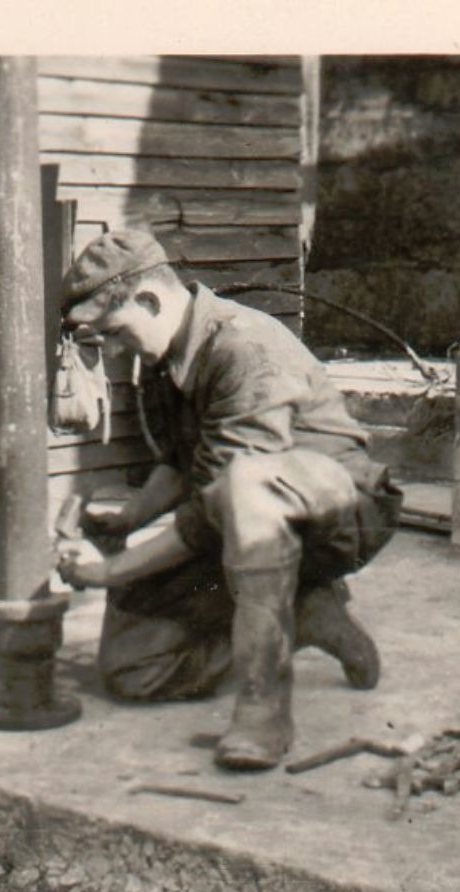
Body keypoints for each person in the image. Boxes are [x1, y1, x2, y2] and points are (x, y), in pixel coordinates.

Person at [55, 230, 402, 771]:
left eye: (114, 333)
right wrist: (125, 519)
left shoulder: (243, 347)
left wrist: (111, 572)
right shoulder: (163, 356)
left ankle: (264, 709)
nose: (115, 351)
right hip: (246, 523)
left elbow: (217, 502)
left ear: (148, 300)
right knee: (132, 668)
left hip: (346, 512)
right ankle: (308, 615)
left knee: (245, 488)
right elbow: (179, 465)